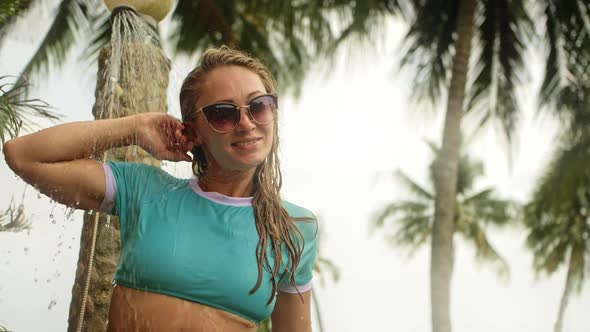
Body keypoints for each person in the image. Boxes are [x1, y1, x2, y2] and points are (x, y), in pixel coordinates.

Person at [3, 46, 319, 332]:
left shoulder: (292, 228)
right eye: (223, 113)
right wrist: (134, 128)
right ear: (194, 130)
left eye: (259, 106)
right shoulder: (145, 190)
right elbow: (24, 155)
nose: (247, 122)